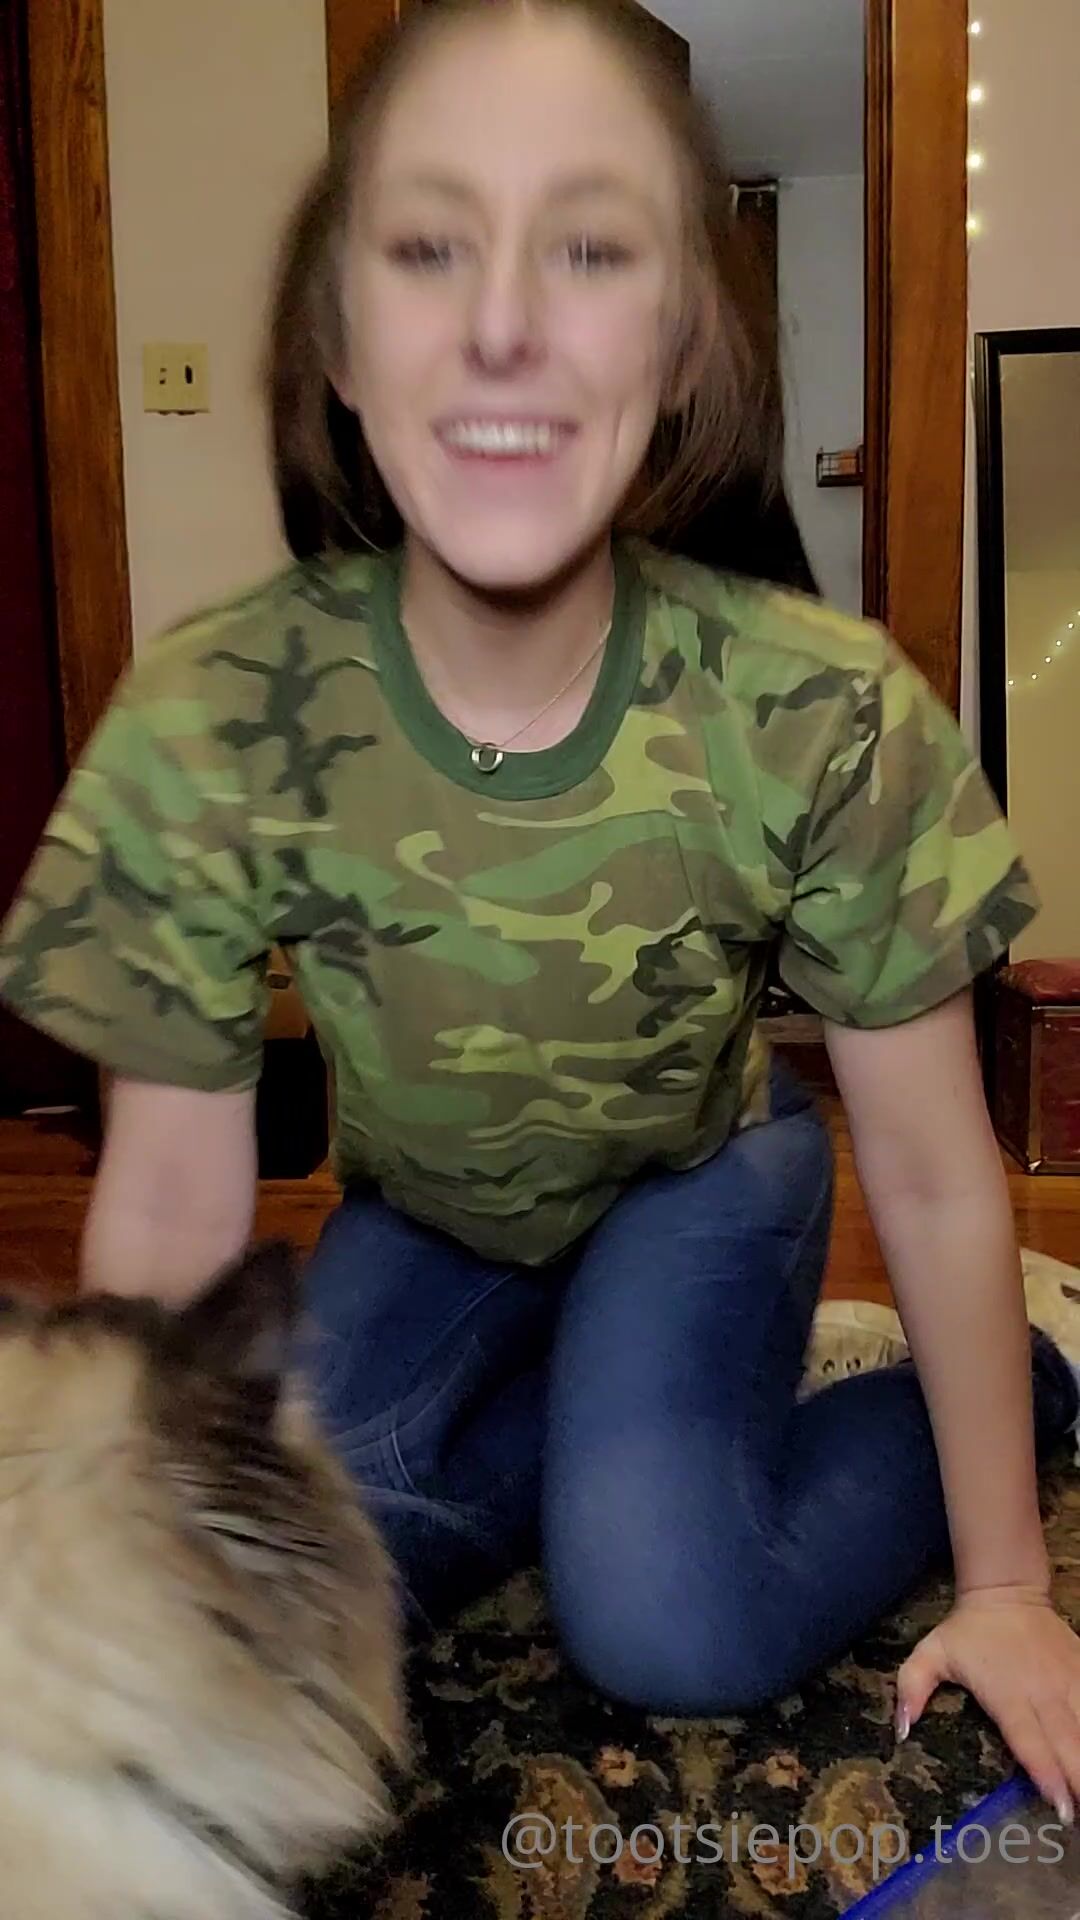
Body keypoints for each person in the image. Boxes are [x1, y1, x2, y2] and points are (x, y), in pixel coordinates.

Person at [3, 0, 1080, 1824]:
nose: (502, 320)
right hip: (432, 1215)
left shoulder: (816, 702)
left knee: (666, 1615)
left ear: (681, 341)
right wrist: (121, 1593)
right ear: (337, 336)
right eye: (430, 246)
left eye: (589, 248)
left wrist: (1007, 1584)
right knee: (294, 1573)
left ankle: (1026, 1383)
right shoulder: (217, 711)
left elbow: (929, 1166)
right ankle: (594, 1424)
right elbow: (174, 1198)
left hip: (703, 1178)